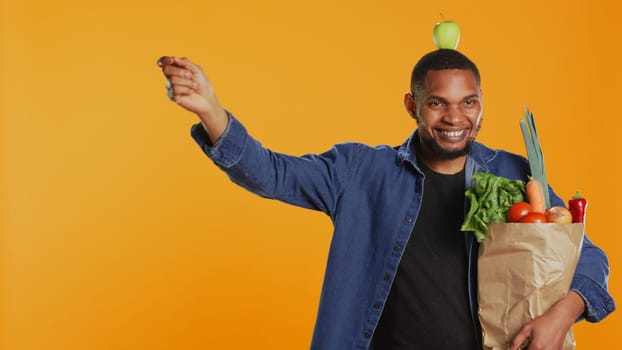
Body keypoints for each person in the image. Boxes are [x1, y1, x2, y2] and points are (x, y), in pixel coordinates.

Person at [157, 50, 614, 350]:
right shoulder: (360, 172)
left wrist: (561, 315)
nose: (455, 117)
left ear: (480, 105)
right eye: (437, 103)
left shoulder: (515, 175)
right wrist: (211, 112)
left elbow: (589, 257)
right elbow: (273, 173)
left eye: (468, 102)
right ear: (412, 106)